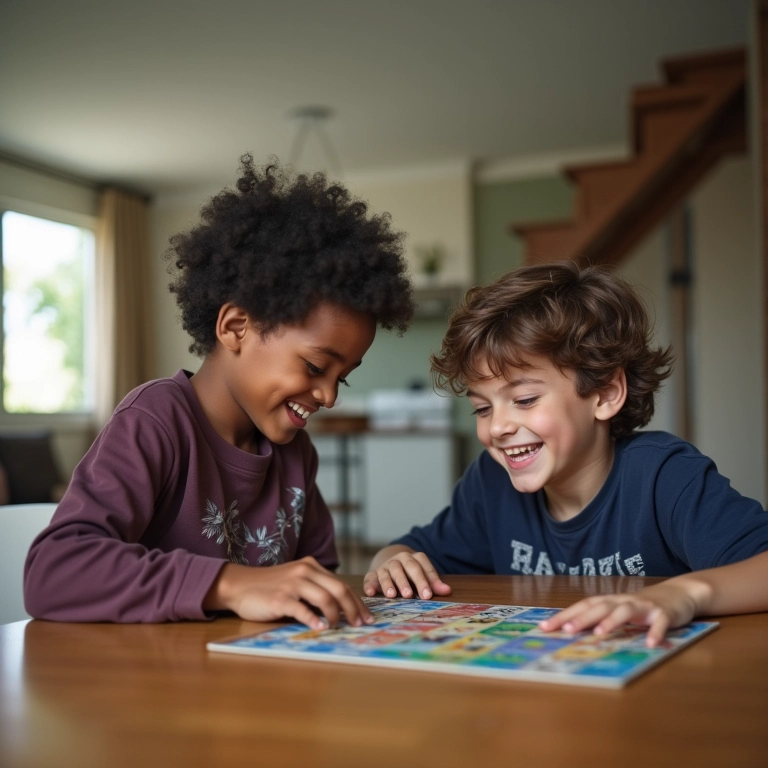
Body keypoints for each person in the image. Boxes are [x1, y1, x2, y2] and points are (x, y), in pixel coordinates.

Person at [25, 155, 414, 628]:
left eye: (343, 376)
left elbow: (315, 576)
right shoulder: (156, 422)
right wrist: (230, 584)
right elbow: (54, 572)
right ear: (235, 327)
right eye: (315, 366)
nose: (329, 396)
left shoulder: (296, 452)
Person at [364, 261, 768, 646]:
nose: (498, 426)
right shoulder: (490, 482)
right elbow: (407, 550)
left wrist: (682, 594)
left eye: (523, 399)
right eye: (482, 409)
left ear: (605, 394)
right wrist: (393, 559)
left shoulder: (664, 475)